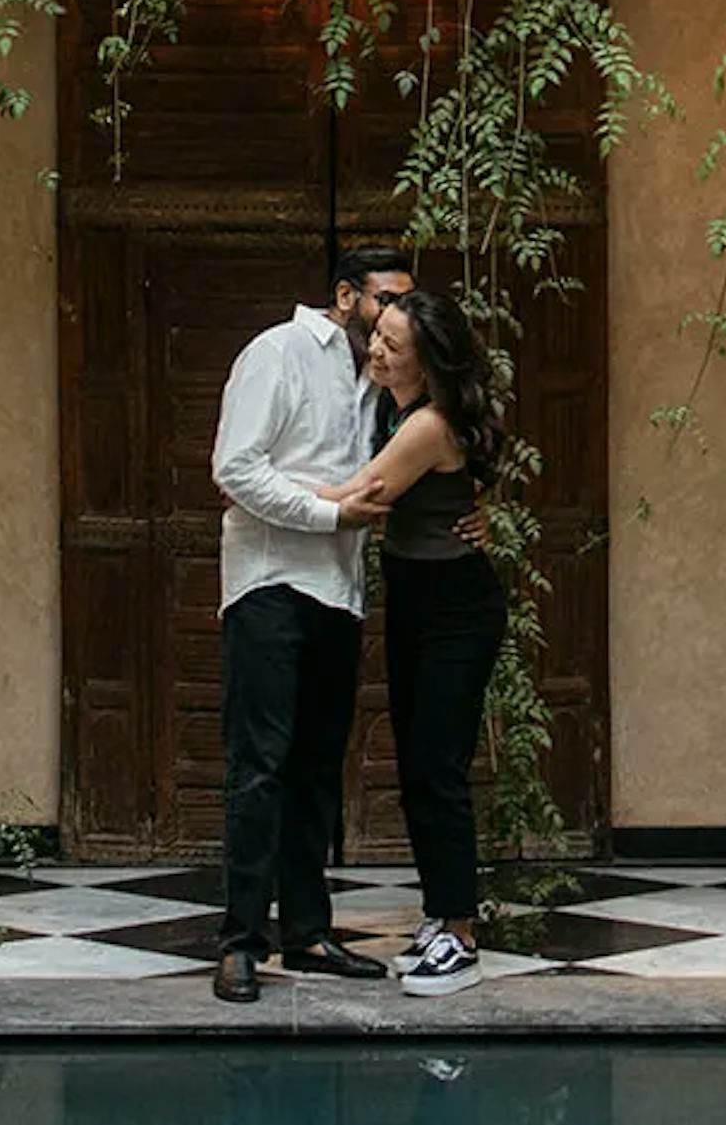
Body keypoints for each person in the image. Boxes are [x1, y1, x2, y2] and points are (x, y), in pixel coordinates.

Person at [206, 244, 414, 1003]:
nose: (395, 314)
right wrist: (330, 512)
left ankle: (309, 932)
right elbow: (235, 467)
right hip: (270, 586)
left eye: (402, 303)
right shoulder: (280, 351)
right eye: (384, 298)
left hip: (339, 594)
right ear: (344, 294)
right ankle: (239, 943)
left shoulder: (381, 379)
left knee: (318, 771)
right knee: (258, 768)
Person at [320, 283, 509, 996]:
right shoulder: (398, 406)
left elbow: (364, 494)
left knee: (438, 769)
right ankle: (440, 913)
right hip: (418, 602)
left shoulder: (427, 424)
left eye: (393, 345)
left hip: (456, 608)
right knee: (420, 765)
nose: (376, 348)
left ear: (426, 363)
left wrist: (258, 485)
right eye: (378, 335)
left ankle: (460, 935)